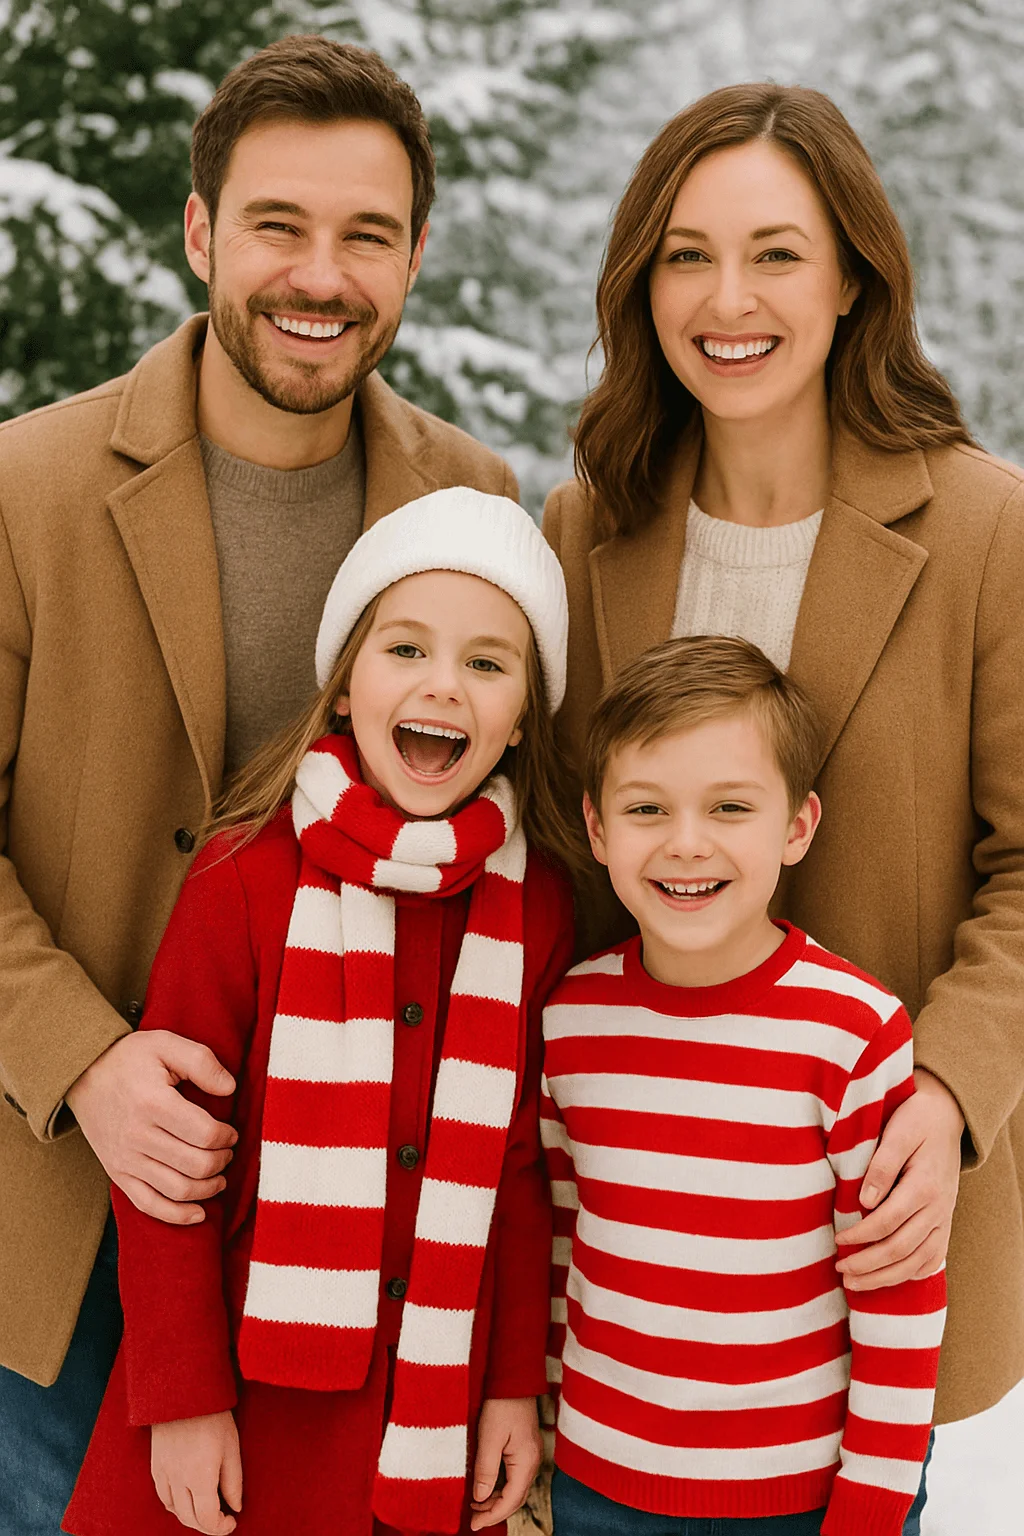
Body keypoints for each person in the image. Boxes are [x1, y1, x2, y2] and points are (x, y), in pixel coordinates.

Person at [0, 35, 521, 1536]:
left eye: (368, 234)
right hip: (72, 1225)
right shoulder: (29, 494)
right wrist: (83, 1060)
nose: (322, 273)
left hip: (377, 1264)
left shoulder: (473, 507)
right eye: (280, 224)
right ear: (201, 230)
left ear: (417, 254)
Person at [543, 82, 1024, 1528]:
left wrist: (945, 1097)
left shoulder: (984, 530)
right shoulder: (587, 527)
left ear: (853, 276)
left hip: (873, 1254)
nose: (728, 298)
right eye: (686, 254)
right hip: (637, 1294)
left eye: (776, 252)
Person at [62, 488, 578, 1536]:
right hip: (243, 1407)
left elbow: (521, 1167)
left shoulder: (538, 905)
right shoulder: (244, 875)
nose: (444, 685)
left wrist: (512, 1384)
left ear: (522, 717)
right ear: (345, 686)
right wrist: (183, 1398)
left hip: (423, 1413)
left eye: (487, 663)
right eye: (405, 649)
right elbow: (168, 1167)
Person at [541, 635, 946, 1536]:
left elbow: (898, 1294)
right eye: (647, 808)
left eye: (730, 807)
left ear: (797, 827)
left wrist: (872, 1512)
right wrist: (544, 1418)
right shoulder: (569, 1020)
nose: (687, 844)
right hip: (597, 1484)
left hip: (801, 1502)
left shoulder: (854, 1031)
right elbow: (563, 1244)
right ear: (598, 828)